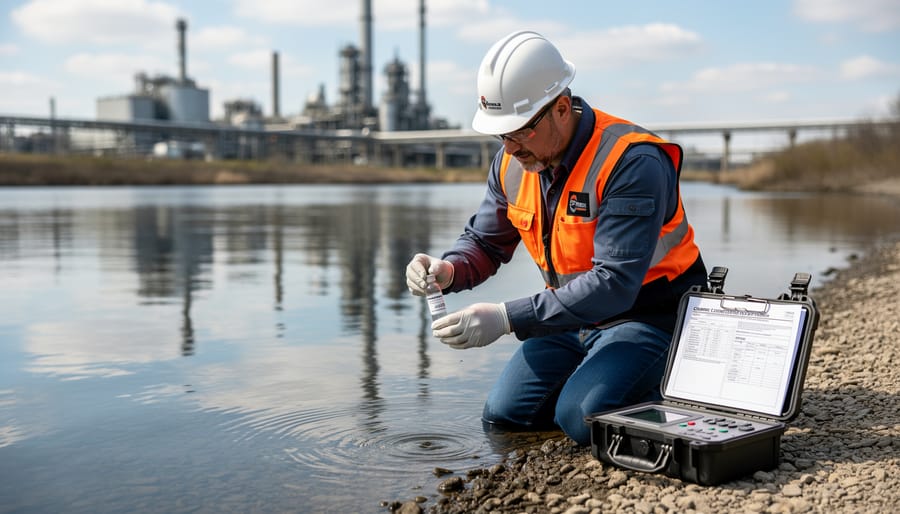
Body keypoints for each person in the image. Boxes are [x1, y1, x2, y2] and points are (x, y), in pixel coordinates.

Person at [405, 30, 707, 446]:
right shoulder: (513, 161)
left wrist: (507, 317)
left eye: (520, 131)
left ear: (561, 109)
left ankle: (681, 379)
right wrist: (448, 269)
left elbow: (615, 283)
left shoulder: (632, 161)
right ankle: (600, 379)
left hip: (652, 317)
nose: (509, 147)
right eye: (501, 135)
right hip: (572, 318)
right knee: (505, 414)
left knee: (580, 418)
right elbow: (486, 242)